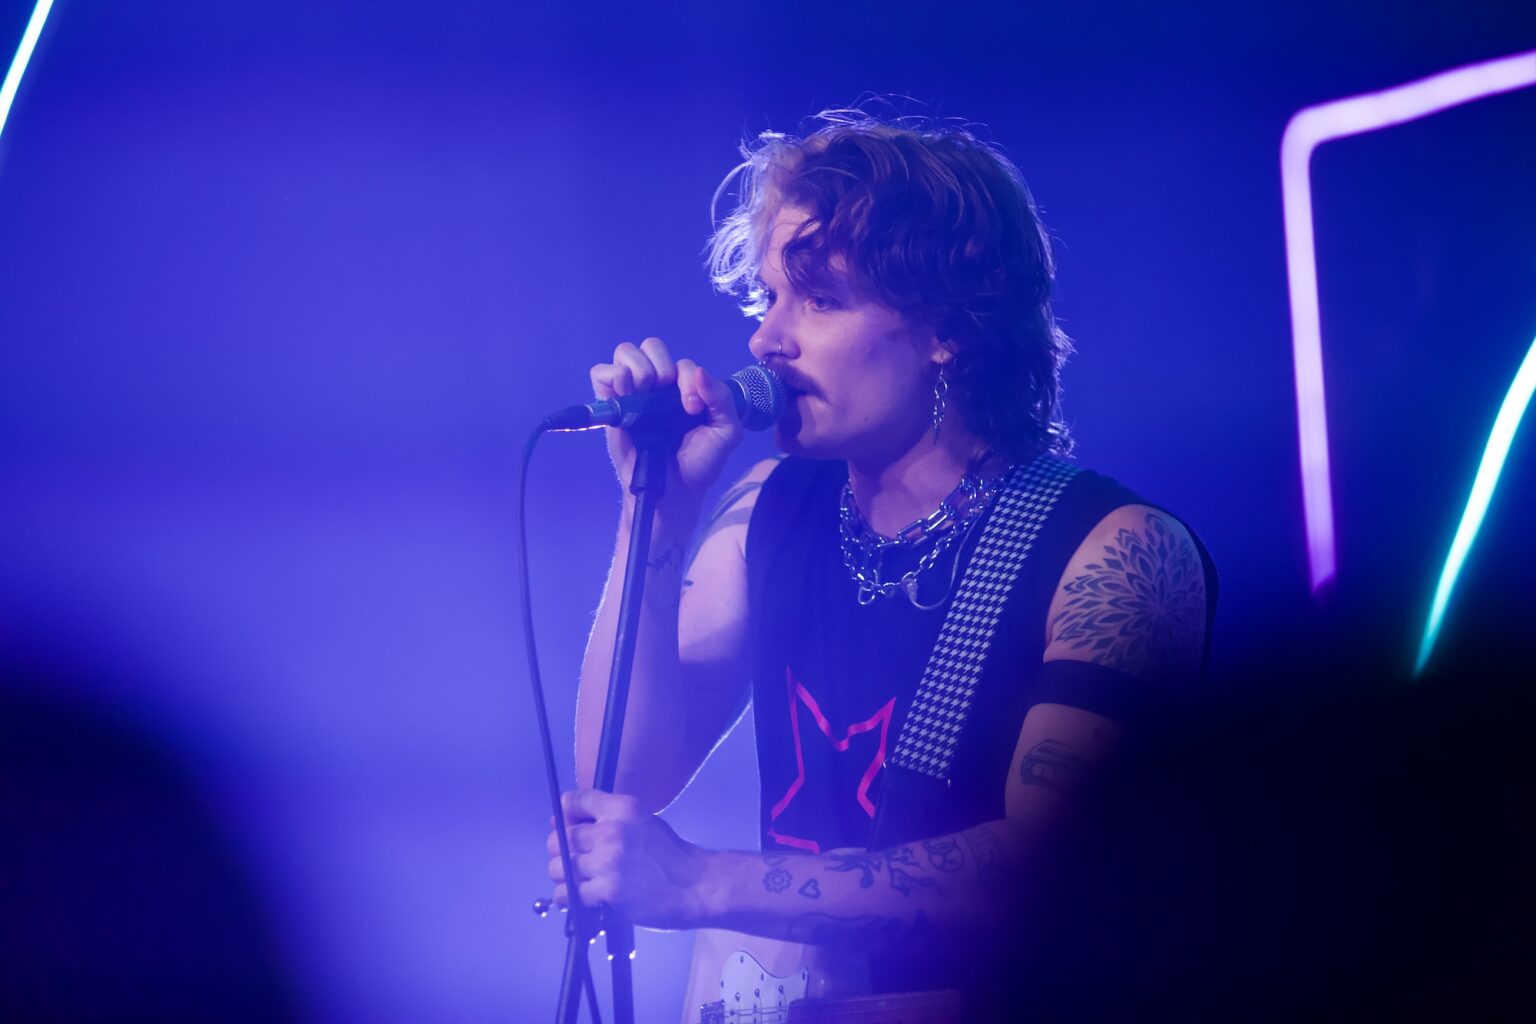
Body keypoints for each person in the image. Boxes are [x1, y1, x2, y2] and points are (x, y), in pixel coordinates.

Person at [545, 109, 1217, 1009]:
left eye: (819, 299)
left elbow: (1060, 869)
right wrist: (656, 518)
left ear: (945, 327)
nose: (766, 340)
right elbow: (623, 781)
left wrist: (706, 883)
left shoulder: (1117, 553)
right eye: (768, 297)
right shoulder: (767, 514)